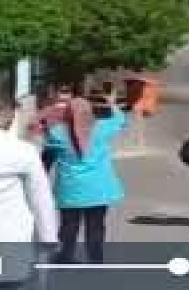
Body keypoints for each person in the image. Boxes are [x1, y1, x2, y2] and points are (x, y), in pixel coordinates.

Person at [0, 81, 59, 287]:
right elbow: (41, 199)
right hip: (8, 238)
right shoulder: (23, 151)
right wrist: (48, 237)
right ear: (9, 114)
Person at [44, 93, 129, 264]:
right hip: (99, 190)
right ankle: (96, 258)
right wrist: (111, 104)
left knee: (69, 225)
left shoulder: (57, 133)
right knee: (96, 226)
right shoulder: (103, 129)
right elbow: (121, 119)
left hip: (71, 190)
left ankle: (66, 255)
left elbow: (47, 156)